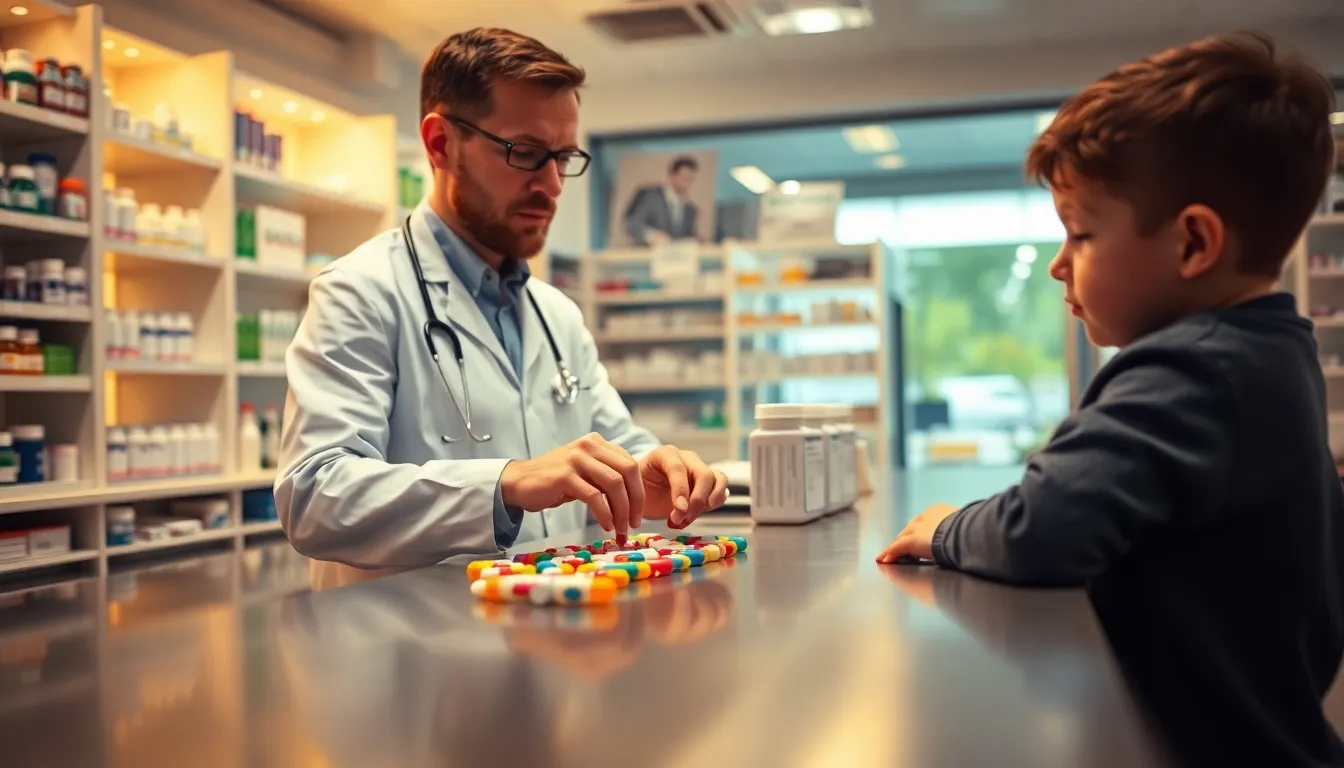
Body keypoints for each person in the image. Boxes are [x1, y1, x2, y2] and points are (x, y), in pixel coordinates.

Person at [877, 32, 1344, 767]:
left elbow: (1042, 527)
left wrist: (947, 530)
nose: (1059, 265)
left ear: (1193, 243)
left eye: (1080, 233)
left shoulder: (1189, 371)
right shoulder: (1270, 350)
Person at [276, 27, 728, 584]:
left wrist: (655, 473)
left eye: (563, 157)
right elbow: (314, 496)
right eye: (527, 153)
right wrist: (506, 483)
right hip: (413, 651)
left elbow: (616, 448)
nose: (553, 185)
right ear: (441, 143)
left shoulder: (556, 313)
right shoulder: (360, 291)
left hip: (549, 638)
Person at [623, 156, 700, 245]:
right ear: (671, 176)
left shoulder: (690, 210)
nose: (687, 183)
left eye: (690, 179)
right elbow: (632, 224)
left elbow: (690, 237)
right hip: (648, 255)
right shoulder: (650, 196)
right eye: (684, 177)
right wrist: (651, 236)